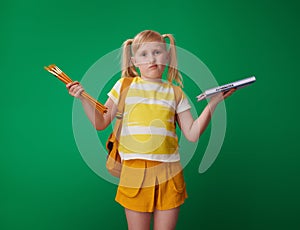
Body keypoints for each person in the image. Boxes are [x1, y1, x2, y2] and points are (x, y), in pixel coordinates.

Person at [66, 30, 235, 230]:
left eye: (157, 52)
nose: (152, 59)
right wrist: (83, 98)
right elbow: (101, 122)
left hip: (169, 173)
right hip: (135, 172)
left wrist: (213, 103)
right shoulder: (124, 86)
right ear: (134, 60)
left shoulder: (176, 92)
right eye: (144, 54)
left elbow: (192, 133)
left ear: (168, 56)